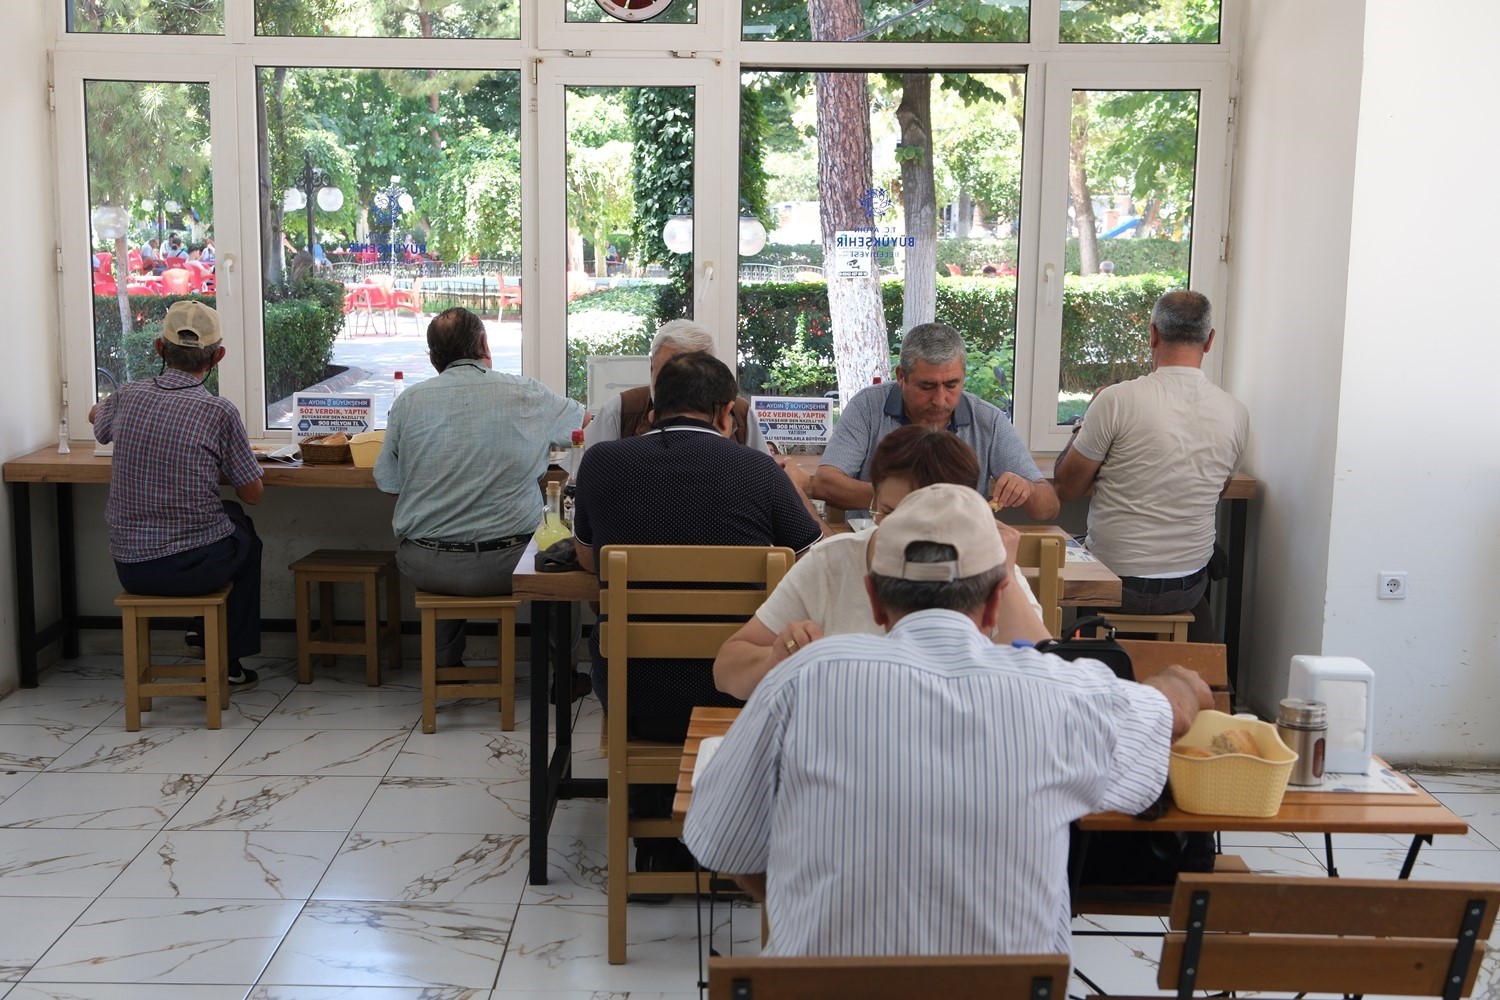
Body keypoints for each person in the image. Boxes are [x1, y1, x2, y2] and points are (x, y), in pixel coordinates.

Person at [684, 483, 1213, 958]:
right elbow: (1178, 709)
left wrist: (810, 904)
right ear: (995, 603)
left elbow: (724, 842)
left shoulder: (800, 679)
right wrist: (1175, 683)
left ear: (874, 599)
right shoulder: (1060, 692)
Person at [573, 349, 824, 884]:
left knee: (626, 660)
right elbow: (812, 553)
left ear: (655, 407)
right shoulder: (758, 470)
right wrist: (799, 491)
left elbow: (588, 557)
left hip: (634, 690)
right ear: (724, 413)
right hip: (733, 691)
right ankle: (728, 838)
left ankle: (656, 838)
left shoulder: (602, 463)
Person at [713, 425, 1051, 699]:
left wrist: (1004, 575)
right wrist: (775, 658)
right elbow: (727, 669)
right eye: (890, 513)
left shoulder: (984, 567)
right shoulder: (832, 563)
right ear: (873, 498)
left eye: (922, 519)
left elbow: (1043, 681)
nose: (901, 532)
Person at [375, 307, 585, 669]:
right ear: (484, 344)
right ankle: (562, 676)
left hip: (428, 564)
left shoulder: (408, 402)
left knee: (437, 538)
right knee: (563, 554)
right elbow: (585, 425)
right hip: (511, 562)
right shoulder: (525, 392)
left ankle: (444, 670)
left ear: (433, 358)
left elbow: (389, 483)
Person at [88, 301, 264, 692]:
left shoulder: (128, 395)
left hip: (130, 565)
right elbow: (253, 492)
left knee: (231, 516)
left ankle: (201, 631)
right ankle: (229, 658)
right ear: (218, 356)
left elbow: (96, 422)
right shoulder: (218, 411)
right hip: (192, 567)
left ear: (158, 348)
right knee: (246, 534)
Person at [1053, 291, 1248, 642]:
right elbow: (1216, 491)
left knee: (1064, 548)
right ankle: (1197, 668)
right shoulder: (1236, 414)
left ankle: (1090, 661)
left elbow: (1066, 488)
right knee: (1198, 564)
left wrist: (1085, 420)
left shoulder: (1116, 400)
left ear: (1153, 334)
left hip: (1116, 583)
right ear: (1209, 341)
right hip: (1188, 586)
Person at [814, 322, 1060, 520]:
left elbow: (1048, 507)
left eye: (952, 385)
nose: (940, 400)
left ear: (963, 376)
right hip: (874, 543)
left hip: (961, 552)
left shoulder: (987, 420)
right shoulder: (868, 406)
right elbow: (826, 483)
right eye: (927, 386)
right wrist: (914, 500)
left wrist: (1028, 490)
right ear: (901, 376)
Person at [583, 319, 770, 454]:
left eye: (693, 374)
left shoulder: (740, 413)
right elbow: (581, 478)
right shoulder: (621, 409)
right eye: (667, 373)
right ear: (651, 369)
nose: (678, 384)